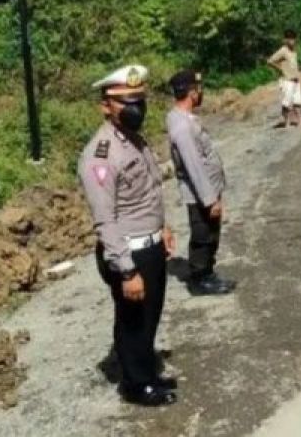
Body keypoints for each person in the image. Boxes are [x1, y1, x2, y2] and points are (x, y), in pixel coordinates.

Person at [77, 64, 177, 407]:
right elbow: (105, 220)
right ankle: (137, 385)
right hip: (128, 253)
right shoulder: (100, 156)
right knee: (134, 320)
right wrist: (127, 270)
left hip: (148, 245)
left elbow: (147, 192)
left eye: (139, 99)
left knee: (149, 316)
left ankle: (145, 371)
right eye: (125, 101)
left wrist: (161, 228)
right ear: (106, 105)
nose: (136, 107)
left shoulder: (134, 140)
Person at [166, 69, 234, 297]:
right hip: (200, 194)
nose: (201, 92)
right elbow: (194, 166)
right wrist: (210, 199)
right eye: (199, 89)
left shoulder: (183, 119)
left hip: (205, 191)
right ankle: (200, 279)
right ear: (192, 93)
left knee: (210, 233)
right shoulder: (183, 127)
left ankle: (207, 273)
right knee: (203, 236)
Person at [268, 29, 301, 127]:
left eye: (294, 39)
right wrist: (280, 69)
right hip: (287, 80)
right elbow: (270, 61)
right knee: (287, 103)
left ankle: (300, 121)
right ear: (286, 40)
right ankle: (286, 122)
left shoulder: (294, 51)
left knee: (298, 101)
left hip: (295, 79)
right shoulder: (283, 50)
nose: (293, 41)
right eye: (290, 39)